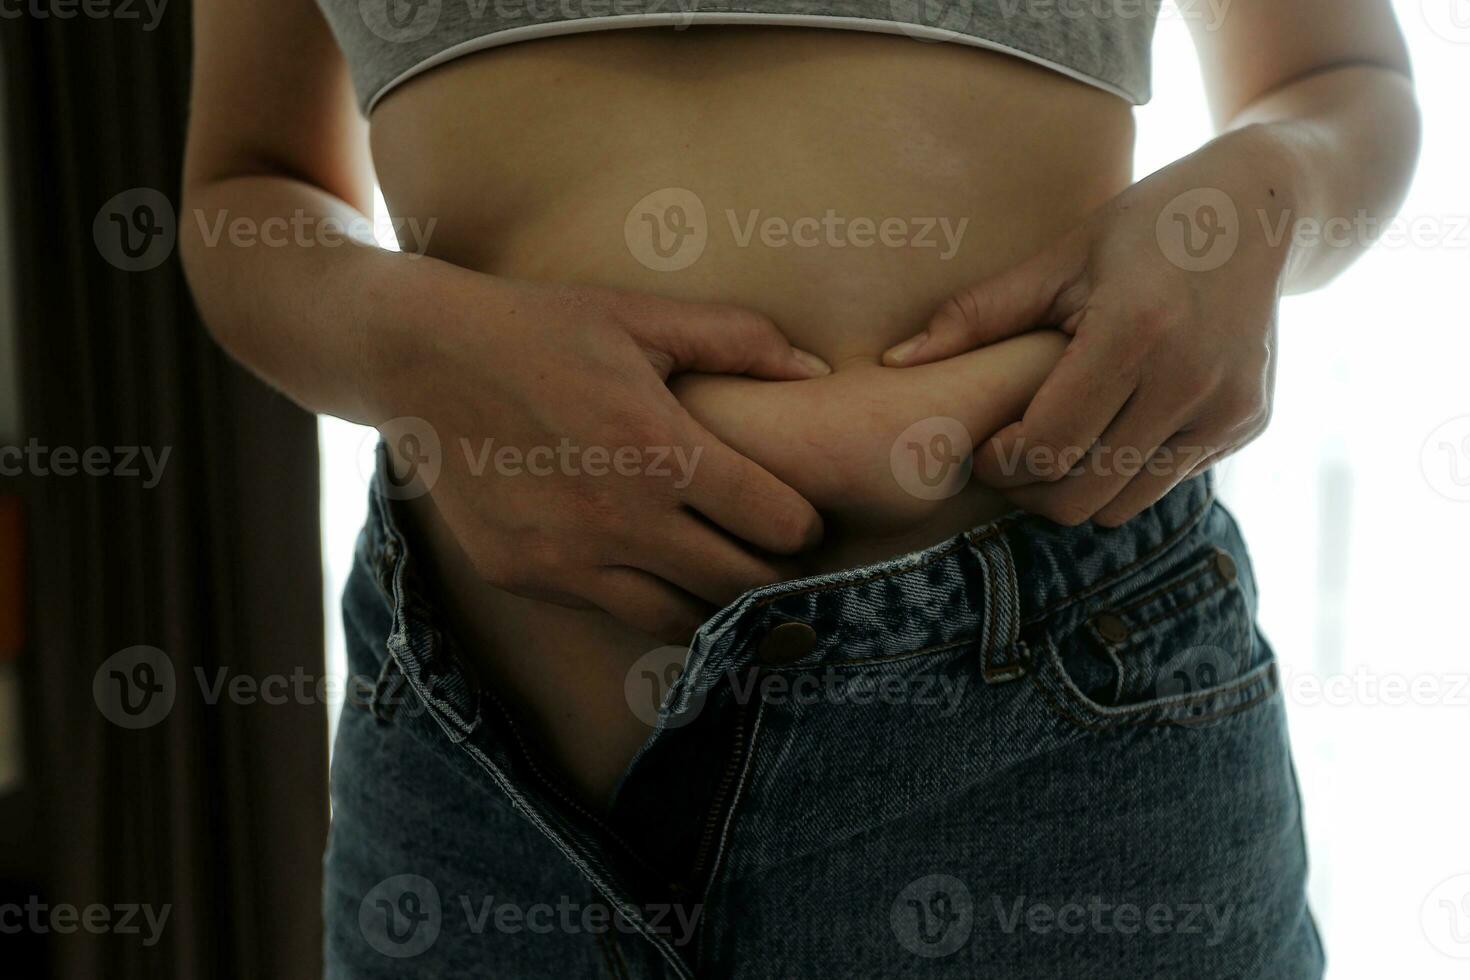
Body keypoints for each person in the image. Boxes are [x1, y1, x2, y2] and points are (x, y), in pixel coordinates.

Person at [181, 0, 1418, 974]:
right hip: (478, 787)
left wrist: (1260, 197)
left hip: (1046, 749)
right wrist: (404, 342)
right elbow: (246, 185)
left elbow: (1340, 82)